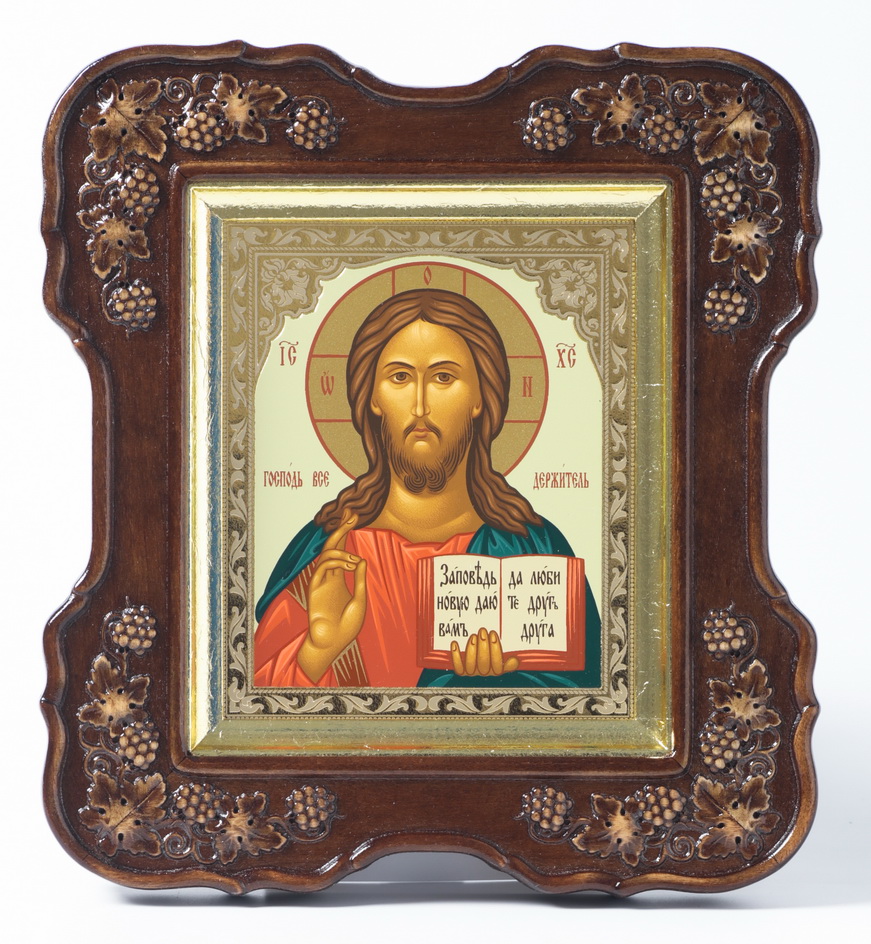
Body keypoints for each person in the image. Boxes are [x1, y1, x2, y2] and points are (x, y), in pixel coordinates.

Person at [254, 288, 600, 688]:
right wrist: (318, 651)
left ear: (481, 396)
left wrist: (495, 684)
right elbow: (251, 703)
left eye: (443, 377)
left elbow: (590, 697)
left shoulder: (531, 548)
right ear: (372, 398)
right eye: (400, 377)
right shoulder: (324, 554)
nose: (420, 406)